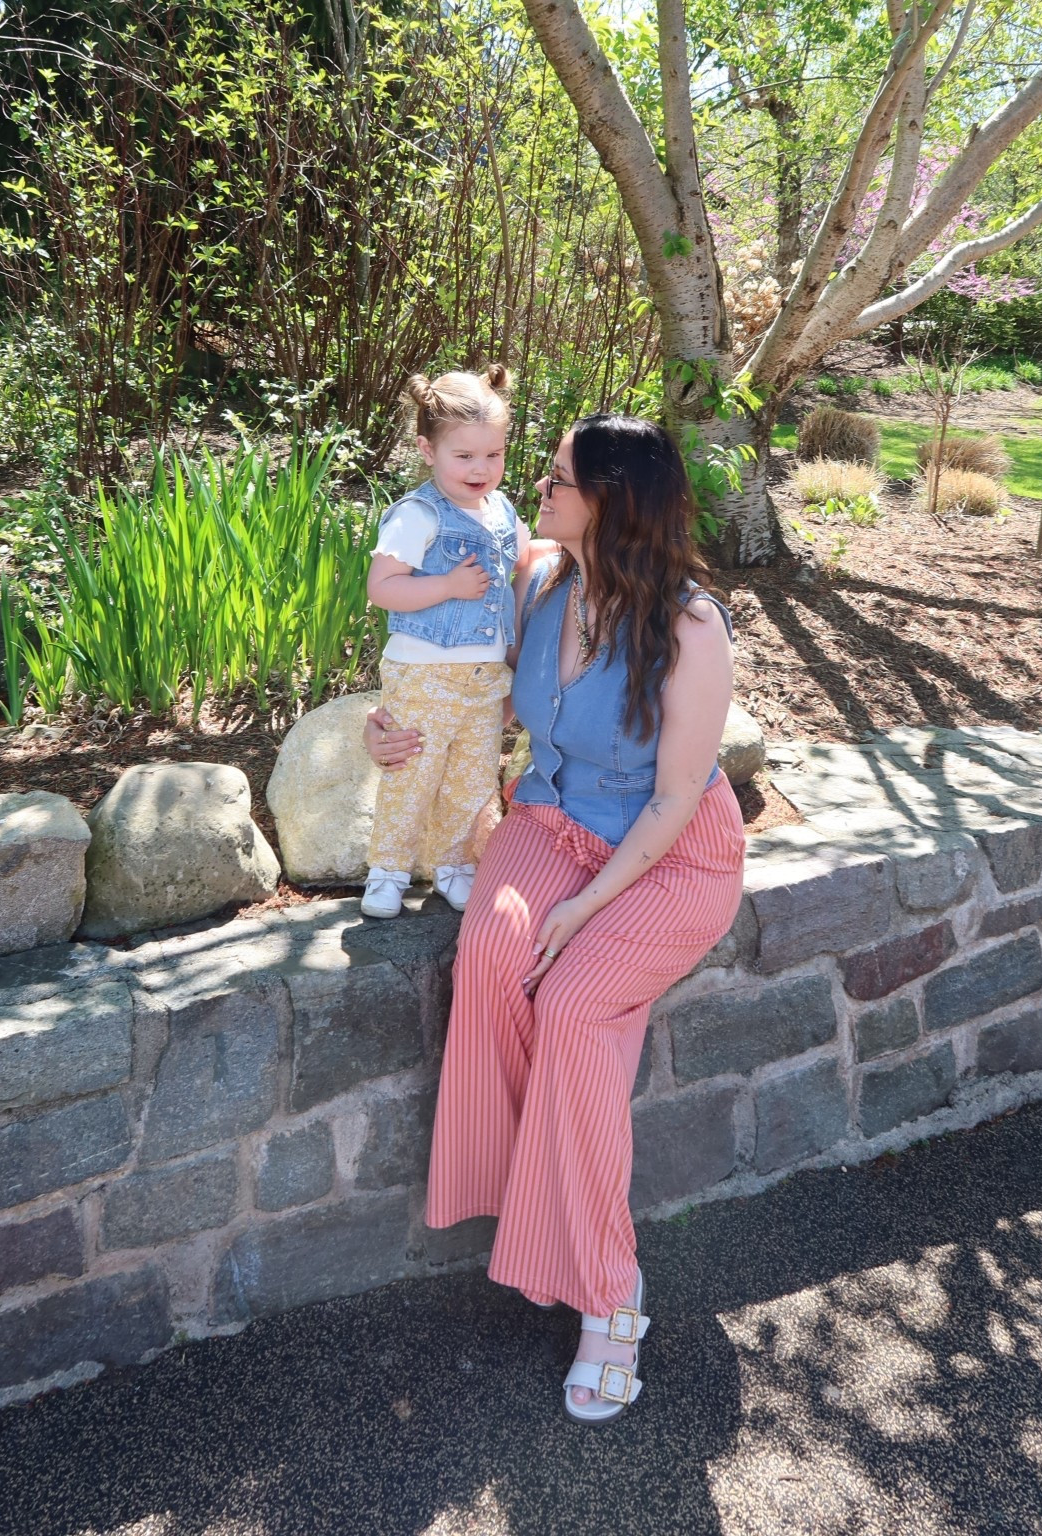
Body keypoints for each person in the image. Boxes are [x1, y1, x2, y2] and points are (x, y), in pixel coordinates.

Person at [365, 413, 745, 1421]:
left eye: (556, 476)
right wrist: (389, 723)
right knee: (490, 953)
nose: (534, 484)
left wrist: (582, 907)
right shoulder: (537, 577)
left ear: (610, 500)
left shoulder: (693, 627)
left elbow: (671, 803)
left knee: (575, 1005)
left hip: (662, 856)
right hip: (547, 815)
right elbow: (467, 687)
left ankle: (611, 1294)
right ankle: (531, 1203)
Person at [361, 365, 532, 919]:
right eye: (465, 457)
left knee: (472, 778)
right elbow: (382, 588)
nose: (481, 469)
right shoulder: (417, 515)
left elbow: (519, 573)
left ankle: (453, 866)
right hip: (425, 670)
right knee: (413, 770)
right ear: (426, 450)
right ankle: (387, 871)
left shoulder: (503, 512)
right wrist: (448, 586)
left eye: (494, 455)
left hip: (485, 676)